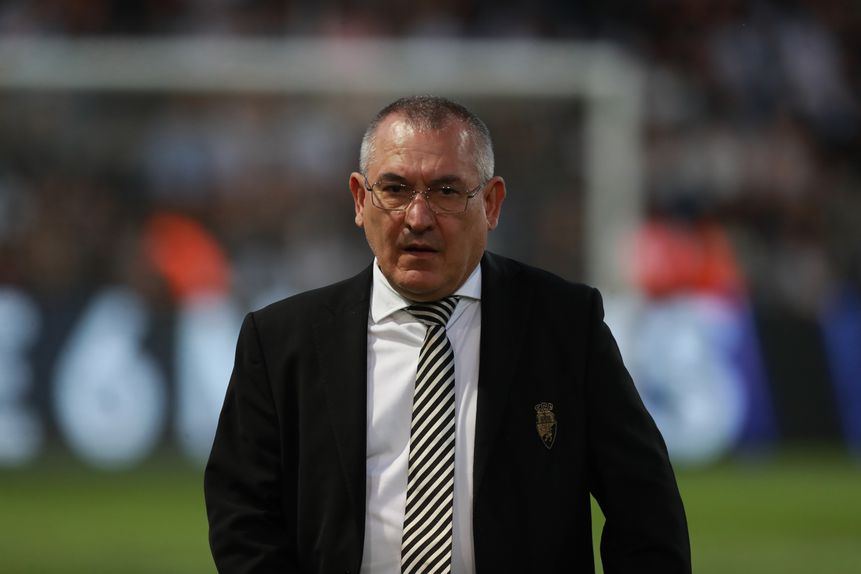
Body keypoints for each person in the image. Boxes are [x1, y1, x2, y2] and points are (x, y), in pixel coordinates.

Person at [204, 95, 691, 574]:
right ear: (360, 199)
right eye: (395, 189)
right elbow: (242, 517)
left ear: (492, 203)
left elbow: (646, 511)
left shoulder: (567, 326)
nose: (418, 218)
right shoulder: (280, 341)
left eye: (446, 192)